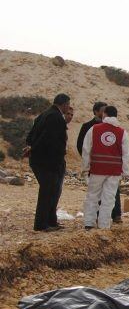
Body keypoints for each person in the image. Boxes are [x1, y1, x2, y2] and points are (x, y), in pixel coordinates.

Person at [25, 93, 71, 232]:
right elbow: (49, 140)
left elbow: (31, 135)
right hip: (48, 161)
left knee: (51, 191)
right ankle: (41, 224)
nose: (68, 107)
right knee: (48, 192)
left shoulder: (43, 115)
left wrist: (31, 147)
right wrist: (58, 157)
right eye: (68, 104)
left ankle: (51, 221)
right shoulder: (56, 117)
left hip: (40, 160)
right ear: (63, 104)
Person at [81, 106, 129, 230]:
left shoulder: (94, 129)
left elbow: (86, 150)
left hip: (97, 168)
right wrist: (126, 172)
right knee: (109, 198)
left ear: (104, 114)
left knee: (92, 196)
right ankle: (104, 225)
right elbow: (126, 154)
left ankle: (89, 223)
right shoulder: (122, 132)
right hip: (114, 171)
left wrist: (85, 168)